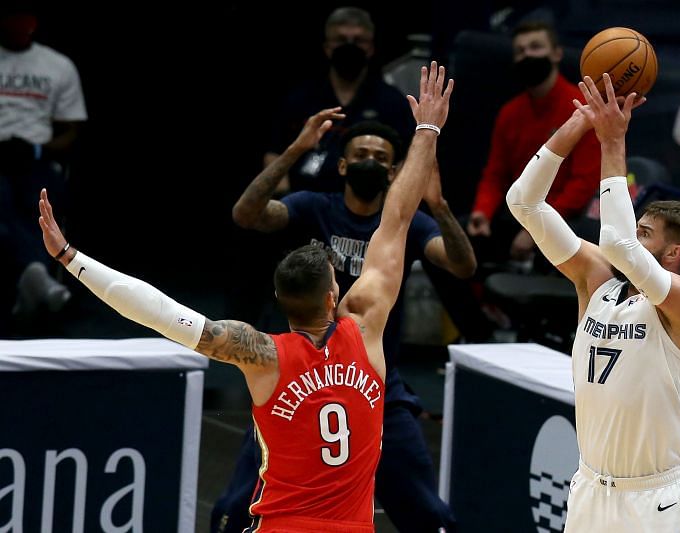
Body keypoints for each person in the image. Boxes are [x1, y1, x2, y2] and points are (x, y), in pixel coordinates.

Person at [38, 61, 452, 533]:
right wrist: (427, 130)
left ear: (278, 299)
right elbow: (397, 218)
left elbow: (160, 312)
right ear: (335, 291)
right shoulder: (366, 327)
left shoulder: (262, 354)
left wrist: (72, 258)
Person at [219, 110, 471, 532]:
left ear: (393, 172)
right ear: (341, 164)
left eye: (378, 156)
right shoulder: (313, 205)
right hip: (299, 377)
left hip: (373, 386)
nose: (368, 161)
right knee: (228, 509)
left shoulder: (406, 223)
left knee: (431, 516)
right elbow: (247, 215)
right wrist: (297, 150)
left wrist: (440, 206)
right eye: (360, 154)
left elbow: (462, 266)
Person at [506, 73, 680, 531]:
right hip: (591, 486)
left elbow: (617, 242)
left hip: (654, 497)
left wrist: (612, 139)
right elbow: (523, 202)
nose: (635, 238)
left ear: (674, 253)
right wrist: (579, 124)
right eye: (637, 230)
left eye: (646, 235)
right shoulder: (597, 282)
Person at [468, 20, 600, 263]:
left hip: (566, 219)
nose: (528, 54)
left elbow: (583, 184)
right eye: (520, 51)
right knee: (460, 239)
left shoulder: (582, 107)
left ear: (556, 53)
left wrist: (536, 230)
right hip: (521, 212)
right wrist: (482, 211)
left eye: (536, 47)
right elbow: (495, 174)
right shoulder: (510, 113)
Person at [264, 6, 415, 194]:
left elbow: (408, 159)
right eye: (341, 40)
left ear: (370, 48)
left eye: (358, 40)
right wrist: (283, 201)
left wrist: (390, 203)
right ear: (327, 48)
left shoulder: (392, 102)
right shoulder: (300, 98)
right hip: (304, 201)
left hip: (369, 206)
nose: (349, 46)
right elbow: (274, 152)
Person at [0, 2, 87, 324]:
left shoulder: (57, 65)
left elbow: (72, 130)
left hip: (35, 156)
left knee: (41, 202)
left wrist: (38, 148)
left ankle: (31, 278)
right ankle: (38, 278)